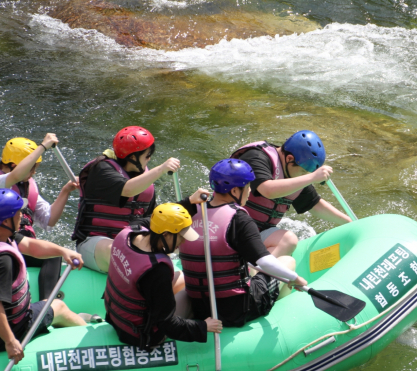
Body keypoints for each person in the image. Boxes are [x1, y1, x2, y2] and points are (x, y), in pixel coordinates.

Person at [177, 159, 308, 328]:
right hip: (236, 309)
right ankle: (282, 319)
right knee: (288, 262)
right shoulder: (239, 218)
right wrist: (296, 278)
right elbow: (264, 261)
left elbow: (154, 221)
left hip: (201, 308)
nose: (250, 191)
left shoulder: (191, 212)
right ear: (234, 190)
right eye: (247, 186)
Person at [0, 189, 88, 364]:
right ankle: (89, 338)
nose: (22, 216)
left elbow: (28, 245)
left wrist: (62, 250)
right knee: (59, 306)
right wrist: (10, 341)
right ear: (5, 221)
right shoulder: (0, 261)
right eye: (18, 213)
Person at [0, 133, 79, 300]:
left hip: (20, 240)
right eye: (33, 167)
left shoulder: (27, 185)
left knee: (53, 256)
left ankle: (48, 304)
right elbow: (14, 176)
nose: (35, 173)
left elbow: (49, 219)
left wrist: (65, 192)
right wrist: (43, 147)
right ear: (16, 165)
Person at [104, 203, 222, 350]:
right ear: (165, 234)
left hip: (115, 318)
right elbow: (168, 325)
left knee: (182, 278)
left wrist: (190, 202)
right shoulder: (157, 270)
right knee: (192, 294)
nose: (183, 241)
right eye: (180, 236)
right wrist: (203, 326)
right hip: (139, 334)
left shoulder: (127, 234)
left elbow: (157, 218)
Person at [72, 126, 180, 273]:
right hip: (93, 241)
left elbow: (149, 216)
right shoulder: (102, 170)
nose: (149, 159)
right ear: (133, 157)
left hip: (130, 240)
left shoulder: (144, 179)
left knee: (162, 248)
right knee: (119, 251)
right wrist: (161, 169)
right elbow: (127, 190)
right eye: (147, 155)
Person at [230, 130, 351, 257]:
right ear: (289, 159)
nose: (305, 176)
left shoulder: (292, 171)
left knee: (288, 243)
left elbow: (314, 205)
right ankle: (256, 274)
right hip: (232, 229)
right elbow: (267, 190)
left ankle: (258, 269)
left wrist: (349, 222)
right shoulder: (256, 157)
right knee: (288, 239)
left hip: (257, 233)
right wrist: (313, 178)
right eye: (304, 171)